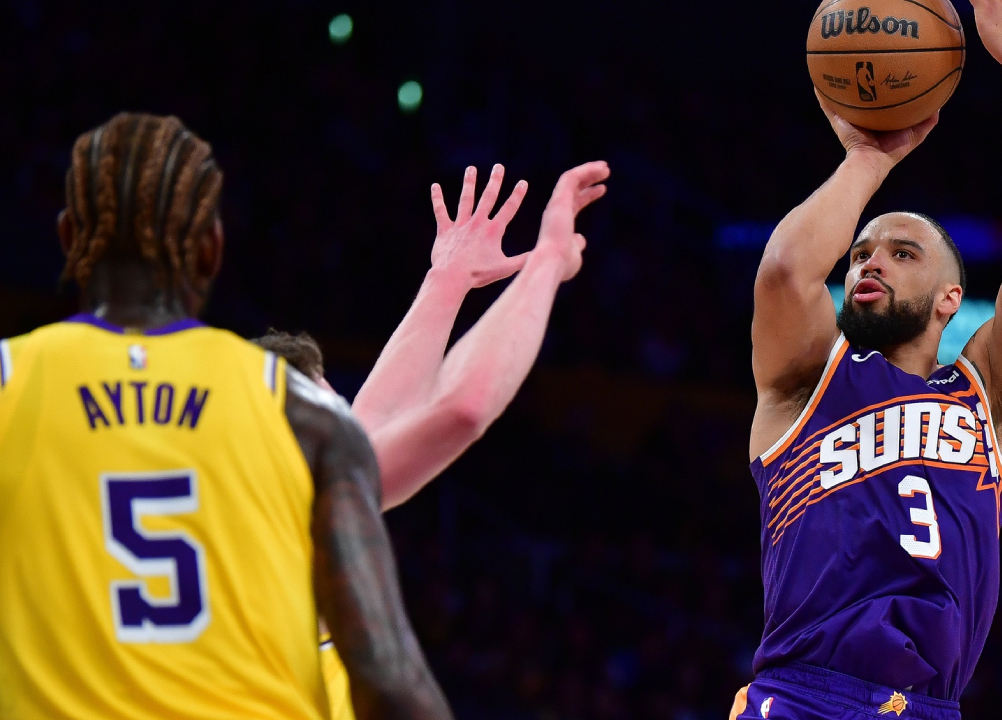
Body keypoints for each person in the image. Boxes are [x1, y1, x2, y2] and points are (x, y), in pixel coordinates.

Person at [0, 112, 451, 720]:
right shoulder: (299, 411)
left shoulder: (9, 381)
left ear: (66, 237)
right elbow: (388, 679)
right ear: (212, 249)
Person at [734, 0, 1002, 717]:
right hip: (802, 696)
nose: (870, 262)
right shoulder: (806, 385)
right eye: (861, 252)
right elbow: (785, 273)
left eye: (902, 253)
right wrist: (868, 159)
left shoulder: (991, 399)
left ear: (952, 298)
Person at [254, 160, 610, 720]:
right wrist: (547, 260)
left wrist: (448, 282)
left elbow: (374, 424)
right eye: (328, 414)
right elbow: (461, 407)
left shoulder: (253, 506)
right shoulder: (286, 515)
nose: (345, 425)